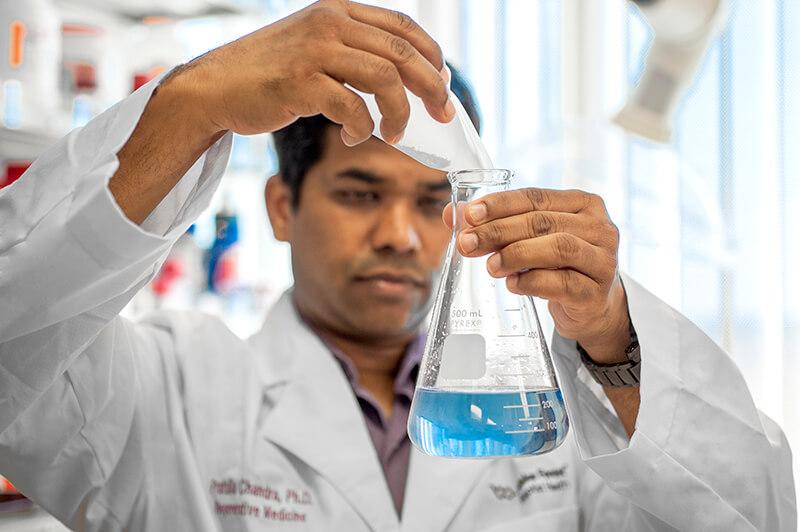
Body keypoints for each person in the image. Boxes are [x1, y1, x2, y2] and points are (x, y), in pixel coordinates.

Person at [0, 1, 794, 530]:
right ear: (282, 206)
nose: (399, 234)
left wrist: (613, 338)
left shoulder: (553, 418)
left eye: (428, 201)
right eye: (358, 192)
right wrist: (191, 102)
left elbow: (754, 511)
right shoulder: (162, 390)